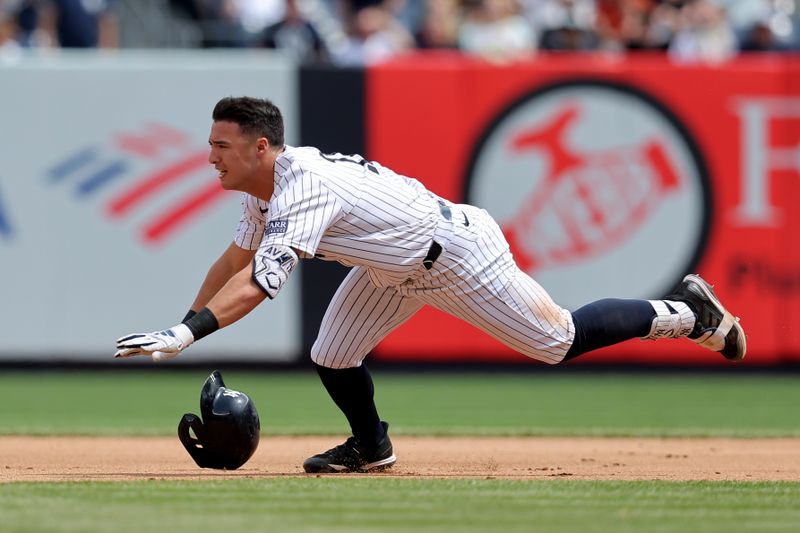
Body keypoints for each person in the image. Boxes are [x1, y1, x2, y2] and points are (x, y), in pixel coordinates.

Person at [115, 96, 747, 474]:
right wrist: (182, 325)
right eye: (209, 144)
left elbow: (258, 283)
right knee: (332, 354)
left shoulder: (303, 185)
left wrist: (185, 333)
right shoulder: (266, 188)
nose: (210, 157)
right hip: (393, 265)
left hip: (456, 255)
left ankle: (686, 312)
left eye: (221, 145)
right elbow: (234, 260)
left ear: (260, 147)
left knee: (556, 340)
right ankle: (371, 448)